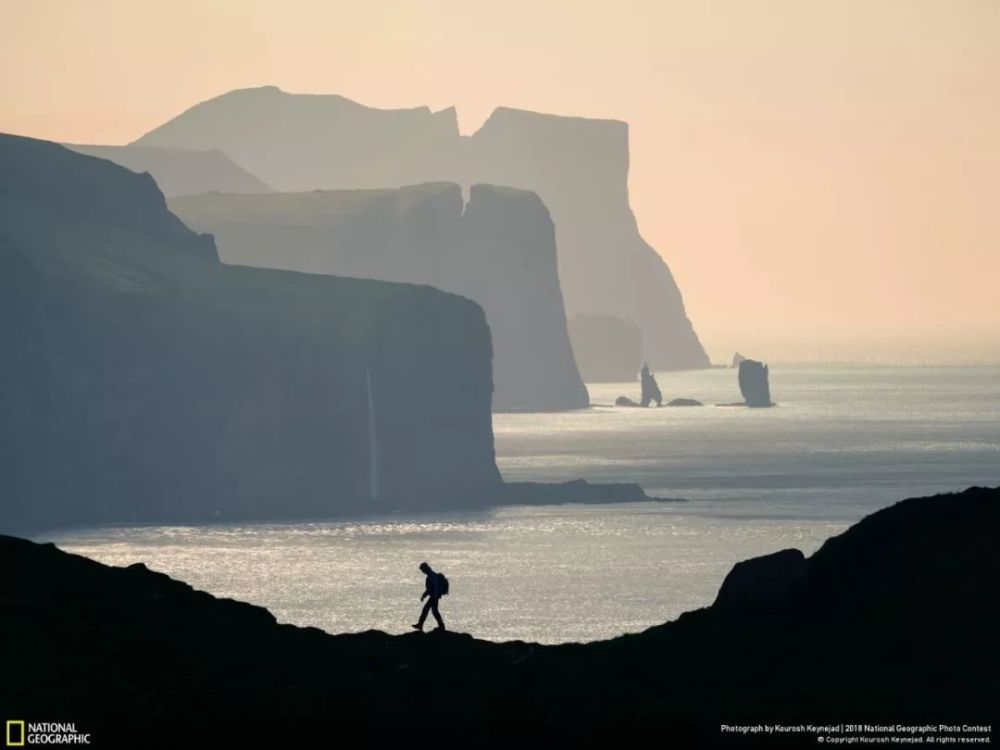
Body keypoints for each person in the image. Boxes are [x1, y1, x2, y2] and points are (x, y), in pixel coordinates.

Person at [412, 561, 446, 632]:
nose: (423, 572)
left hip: (434, 596)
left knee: (427, 610)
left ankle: (421, 625)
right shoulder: (431, 576)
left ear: (425, 569)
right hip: (434, 596)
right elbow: (429, 589)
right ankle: (440, 626)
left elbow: (433, 588)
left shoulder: (432, 576)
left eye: (423, 570)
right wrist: (424, 596)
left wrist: (433, 597)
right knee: (433, 611)